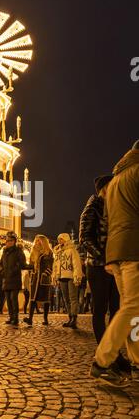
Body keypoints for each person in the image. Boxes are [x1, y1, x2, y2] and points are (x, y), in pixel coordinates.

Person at [90, 140, 139, 387]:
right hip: (134, 248)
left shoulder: (117, 179)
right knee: (132, 307)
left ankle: (137, 360)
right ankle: (103, 362)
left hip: (117, 252)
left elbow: (109, 221)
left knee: (133, 309)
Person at [79, 175, 120, 342]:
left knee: (116, 309)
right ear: (105, 188)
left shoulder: (114, 207)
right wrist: (103, 257)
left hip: (114, 264)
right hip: (97, 266)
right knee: (100, 309)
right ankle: (103, 348)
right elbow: (85, 239)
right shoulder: (93, 207)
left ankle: (112, 349)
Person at [52, 233, 83, 329]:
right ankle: (70, 317)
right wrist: (55, 276)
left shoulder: (72, 250)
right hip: (61, 277)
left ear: (66, 239)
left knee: (73, 298)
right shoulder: (58, 252)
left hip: (71, 277)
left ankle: (74, 318)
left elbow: (76, 264)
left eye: (61, 239)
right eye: (58, 239)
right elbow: (55, 266)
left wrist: (77, 276)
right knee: (66, 299)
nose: (59, 241)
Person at [0, 231, 29, 327]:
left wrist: (13, 270)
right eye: (7, 240)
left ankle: (15, 317)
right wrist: (2, 272)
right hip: (6, 279)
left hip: (15, 279)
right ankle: (11, 316)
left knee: (13, 299)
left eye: (11, 240)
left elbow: (22, 263)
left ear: (14, 241)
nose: (9, 242)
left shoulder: (18, 251)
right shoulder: (4, 252)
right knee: (8, 300)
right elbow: (0, 264)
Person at [24, 235, 54, 326]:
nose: (37, 242)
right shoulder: (33, 253)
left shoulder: (48, 252)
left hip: (43, 279)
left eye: (39, 241)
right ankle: (30, 319)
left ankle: (45, 319)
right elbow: (31, 266)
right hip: (35, 279)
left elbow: (50, 266)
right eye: (36, 240)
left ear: (43, 242)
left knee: (46, 300)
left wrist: (46, 274)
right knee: (32, 299)